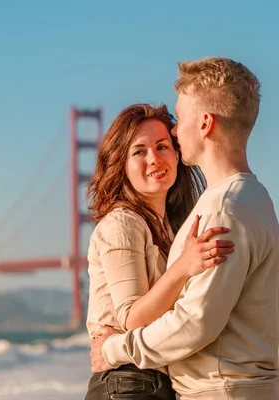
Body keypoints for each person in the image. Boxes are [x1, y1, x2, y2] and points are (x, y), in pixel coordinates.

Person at [91, 57, 279, 399]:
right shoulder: (254, 200)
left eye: (179, 121)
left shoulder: (224, 210)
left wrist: (113, 349)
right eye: (139, 151)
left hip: (220, 391)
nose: (176, 131)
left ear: (206, 123)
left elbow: (194, 321)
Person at [84, 103, 236, 400]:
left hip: (150, 383)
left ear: (177, 155)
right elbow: (132, 318)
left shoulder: (173, 228)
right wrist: (182, 267)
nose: (154, 158)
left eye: (162, 146)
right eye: (139, 151)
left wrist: (260, 241)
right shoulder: (122, 224)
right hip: (127, 383)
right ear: (121, 164)